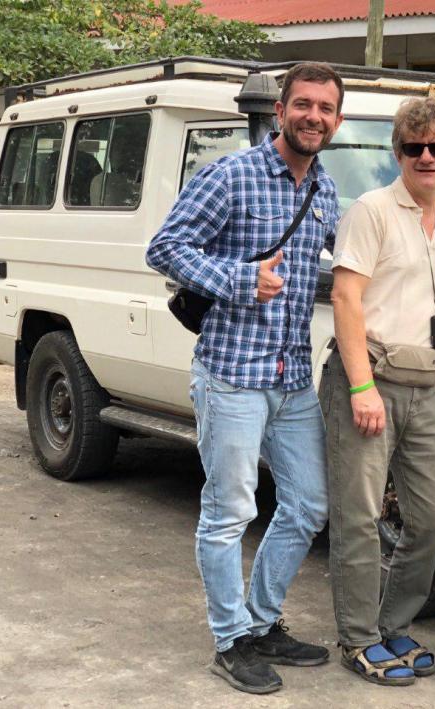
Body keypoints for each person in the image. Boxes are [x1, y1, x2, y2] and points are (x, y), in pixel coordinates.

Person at [145, 62, 344, 695]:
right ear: (282, 109)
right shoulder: (230, 175)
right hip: (230, 375)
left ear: (337, 120)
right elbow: (165, 247)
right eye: (304, 104)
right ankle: (230, 640)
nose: (314, 116)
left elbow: (334, 272)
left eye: (327, 108)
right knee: (230, 509)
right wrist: (239, 278)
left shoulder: (327, 191)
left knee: (309, 502)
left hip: (291, 380)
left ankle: (262, 622)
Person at [322, 97, 435, 686]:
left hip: (424, 387)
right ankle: (358, 639)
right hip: (368, 379)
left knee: (434, 518)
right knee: (360, 517)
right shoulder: (372, 211)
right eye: (414, 147)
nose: (426, 156)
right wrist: (361, 388)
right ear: (397, 153)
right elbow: (347, 298)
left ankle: (393, 623)